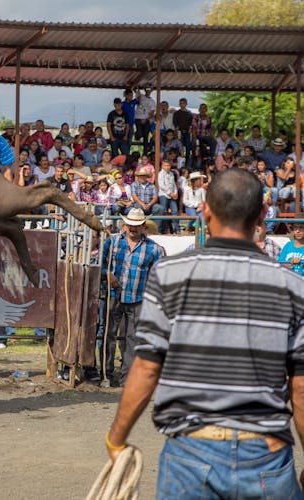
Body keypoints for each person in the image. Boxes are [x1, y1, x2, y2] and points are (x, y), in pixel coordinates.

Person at [105, 169, 304, 498]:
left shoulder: (169, 276)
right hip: (267, 458)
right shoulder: (293, 287)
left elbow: (147, 366)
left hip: (190, 455)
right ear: (261, 216)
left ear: (205, 211)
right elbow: (300, 388)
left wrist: (117, 439)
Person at [100, 207, 163, 388]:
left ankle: (126, 378)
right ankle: (107, 373)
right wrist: (107, 274)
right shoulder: (112, 243)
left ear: (144, 226)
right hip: (114, 295)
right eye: (130, 225)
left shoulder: (154, 249)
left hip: (138, 299)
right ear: (125, 225)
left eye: (136, 225)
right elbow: (100, 264)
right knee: (108, 336)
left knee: (132, 339)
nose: (132, 228)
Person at [157, 159, 180, 234]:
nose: (167, 167)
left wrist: (175, 193)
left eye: (168, 165)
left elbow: (174, 184)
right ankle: (165, 229)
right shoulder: (160, 174)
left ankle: (177, 229)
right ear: (162, 166)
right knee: (164, 212)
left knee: (175, 211)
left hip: (172, 195)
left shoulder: (171, 174)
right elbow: (161, 186)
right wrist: (170, 193)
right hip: (164, 195)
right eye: (165, 165)